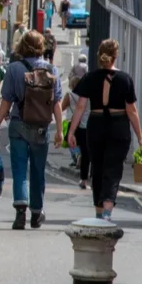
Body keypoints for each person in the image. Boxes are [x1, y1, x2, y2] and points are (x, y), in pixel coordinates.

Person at [69, 40, 142, 222]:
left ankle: (98, 213)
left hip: (96, 126)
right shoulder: (125, 79)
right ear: (116, 56)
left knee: (97, 169)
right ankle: (107, 212)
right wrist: (141, 138)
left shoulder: (90, 77)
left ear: (99, 55)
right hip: (118, 127)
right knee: (113, 170)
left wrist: (71, 132)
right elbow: (131, 111)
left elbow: (80, 107)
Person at [0, 31, 61, 230]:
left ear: (22, 46)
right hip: (41, 127)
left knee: (19, 170)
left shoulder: (14, 68)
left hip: (18, 124)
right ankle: (37, 213)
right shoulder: (51, 69)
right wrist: (60, 130)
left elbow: (6, 100)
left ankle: (20, 213)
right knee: (38, 170)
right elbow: (56, 102)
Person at [61, 55, 90, 189]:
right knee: (87, 151)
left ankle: (76, 156)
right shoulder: (89, 97)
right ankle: (85, 176)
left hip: (72, 122)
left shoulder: (70, 95)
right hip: (87, 124)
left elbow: (61, 107)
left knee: (71, 142)